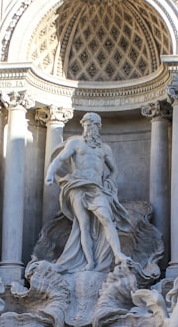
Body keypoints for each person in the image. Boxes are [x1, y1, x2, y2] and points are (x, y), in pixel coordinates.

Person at [45, 112, 131, 273]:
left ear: (99, 126)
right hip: (77, 186)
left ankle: (118, 254)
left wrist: (109, 183)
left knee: (106, 219)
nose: (88, 127)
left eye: (92, 124)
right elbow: (60, 159)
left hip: (96, 188)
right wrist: (50, 174)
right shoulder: (75, 143)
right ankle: (90, 262)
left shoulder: (105, 149)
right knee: (83, 225)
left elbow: (114, 170)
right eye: (86, 124)